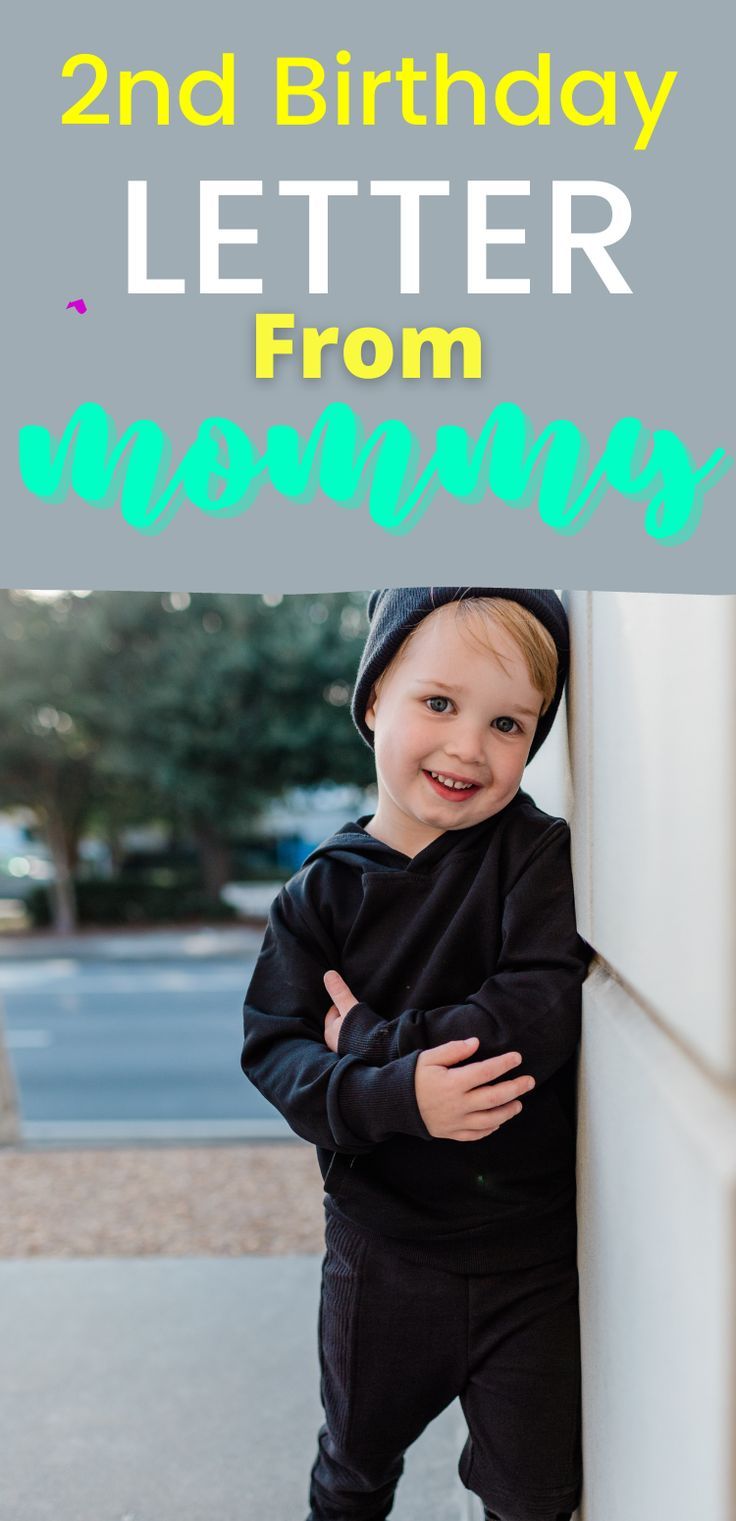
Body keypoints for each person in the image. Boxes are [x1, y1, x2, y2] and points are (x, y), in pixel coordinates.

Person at [241, 587, 593, 1521]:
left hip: (530, 1259)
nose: (468, 746)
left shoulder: (536, 857)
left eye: (508, 721)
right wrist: (395, 1097)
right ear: (372, 702)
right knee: (354, 1469)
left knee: (534, 1494)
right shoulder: (318, 896)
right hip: (383, 1253)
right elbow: (275, 1051)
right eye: (439, 702)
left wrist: (367, 1043)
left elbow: (535, 1009)